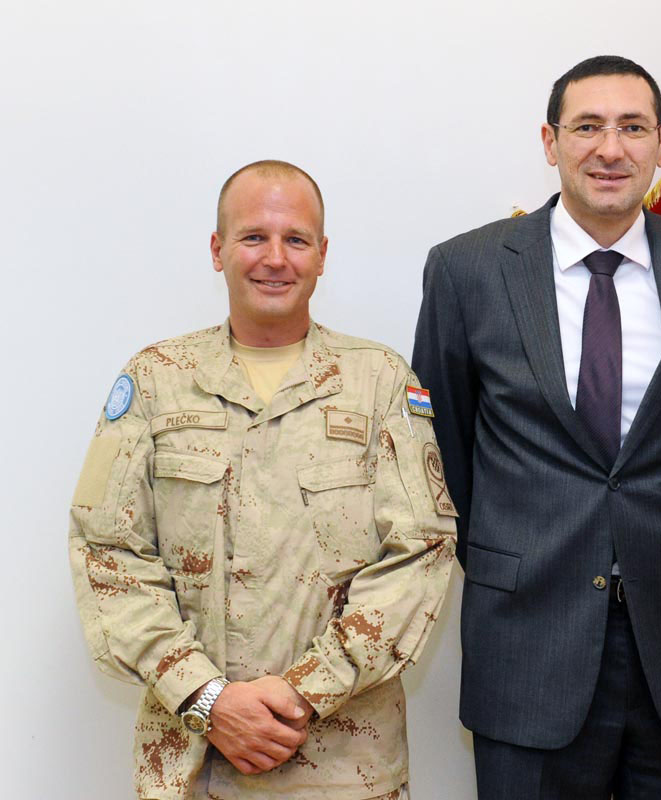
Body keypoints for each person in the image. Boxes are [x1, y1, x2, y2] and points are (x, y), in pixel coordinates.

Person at [412, 55, 661, 799]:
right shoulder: (467, 270)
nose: (610, 149)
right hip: (529, 642)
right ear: (550, 141)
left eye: (632, 127)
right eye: (587, 127)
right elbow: (442, 456)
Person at [68, 160, 457, 800]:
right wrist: (207, 698)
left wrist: (304, 692)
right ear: (217, 249)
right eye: (253, 237)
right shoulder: (157, 379)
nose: (275, 258)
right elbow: (107, 551)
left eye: (295, 239)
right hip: (192, 761)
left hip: (344, 765)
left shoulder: (381, 382)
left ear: (322, 255)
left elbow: (422, 552)